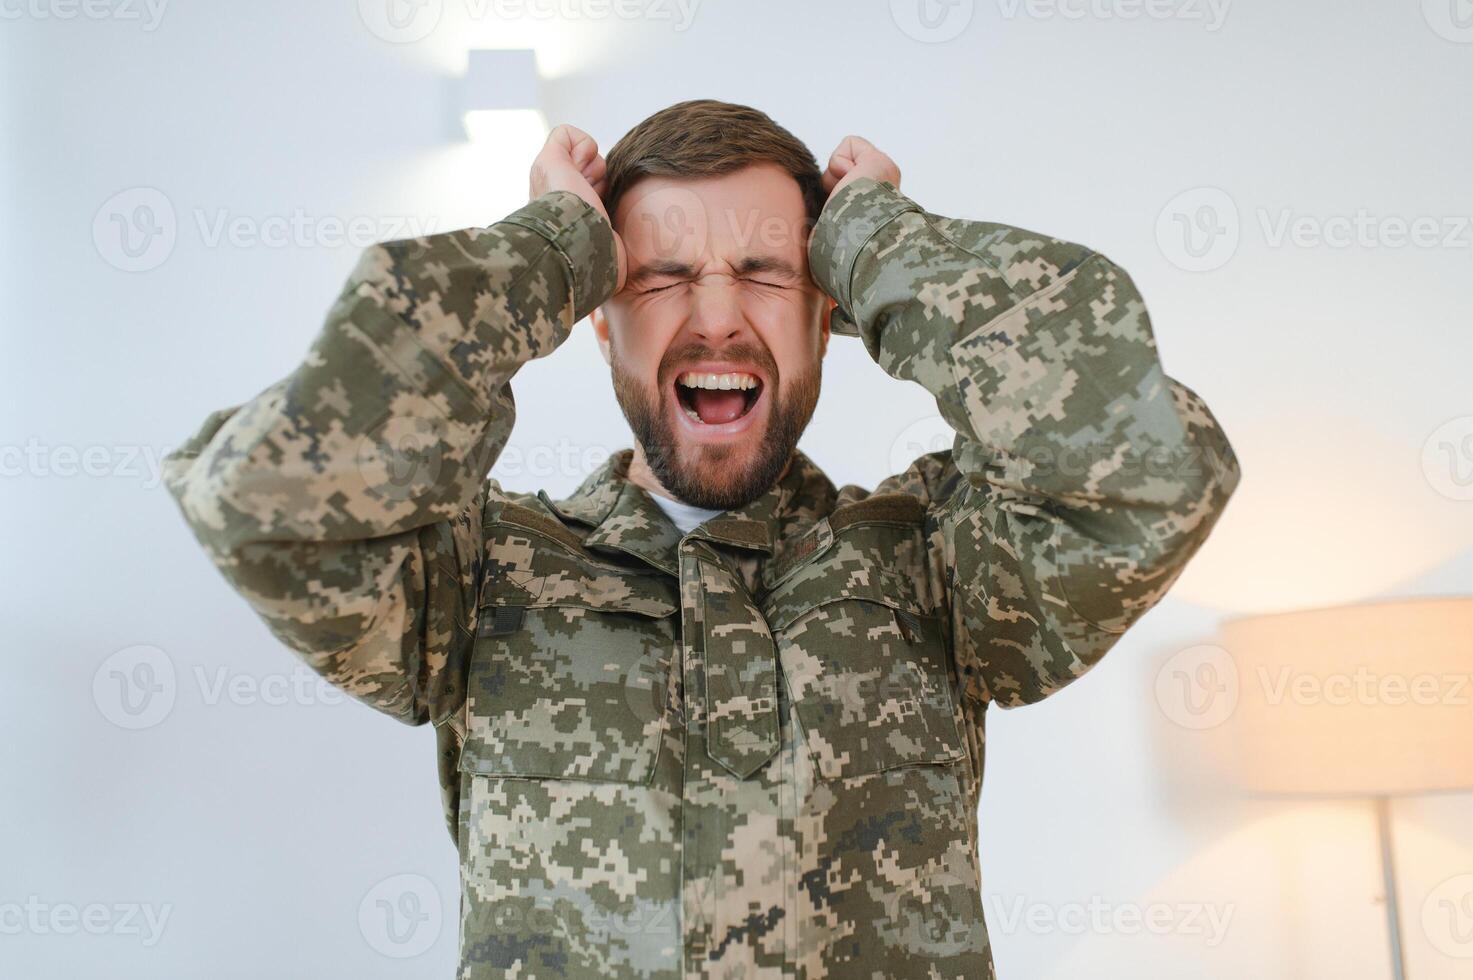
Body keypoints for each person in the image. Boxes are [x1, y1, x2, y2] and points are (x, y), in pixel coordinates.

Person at [165, 99, 1240, 979]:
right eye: (660, 274)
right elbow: (264, 497)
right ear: (597, 310)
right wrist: (547, 251)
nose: (718, 317)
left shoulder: (939, 561)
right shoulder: (478, 572)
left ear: (829, 310)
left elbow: (1156, 466)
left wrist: (877, 247)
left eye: (768, 274)